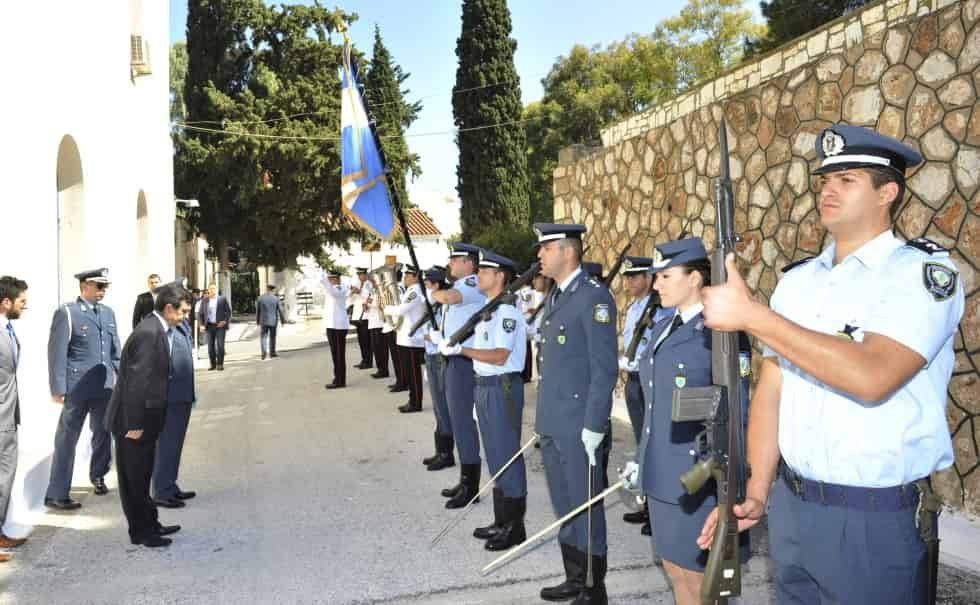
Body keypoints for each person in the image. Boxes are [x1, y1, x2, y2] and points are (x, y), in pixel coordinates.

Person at [696, 124, 965, 604]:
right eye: (824, 179)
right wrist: (757, 489)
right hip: (794, 509)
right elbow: (772, 389)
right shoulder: (798, 283)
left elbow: (872, 376)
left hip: (872, 519)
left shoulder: (919, 275)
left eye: (847, 178)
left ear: (888, 192)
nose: (828, 189)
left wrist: (753, 317)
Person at [619, 239, 750, 605]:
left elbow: (737, 409)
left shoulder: (720, 332)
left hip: (699, 477)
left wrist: (736, 483)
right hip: (663, 473)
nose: (656, 284)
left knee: (702, 582)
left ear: (695, 278)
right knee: (675, 570)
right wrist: (642, 460)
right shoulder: (662, 326)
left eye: (665, 276)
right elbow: (654, 407)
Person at [533, 223, 617, 605]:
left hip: (578, 423)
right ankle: (573, 575)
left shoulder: (593, 298)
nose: (539, 256)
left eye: (545, 248)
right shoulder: (556, 296)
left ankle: (592, 587)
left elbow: (604, 369)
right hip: (553, 421)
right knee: (565, 504)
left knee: (585, 505)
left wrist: (594, 424)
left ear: (567, 252)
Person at [440, 249, 528, 551]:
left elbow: (500, 356)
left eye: (486, 271)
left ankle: (515, 526)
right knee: (494, 454)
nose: (480, 276)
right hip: (484, 386)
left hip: (501, 387)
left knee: (506, 455)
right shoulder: (490, 311)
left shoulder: (507, 314)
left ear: (499, 277)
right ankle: (501, 520)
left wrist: (461, 351)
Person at [104, 283, 189, 547]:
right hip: (133, 421)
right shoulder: (150, 333)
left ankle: (151, 523)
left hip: (144, 420)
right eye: (183, 311)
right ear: (168, 308)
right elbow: (136, 384)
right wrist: (136, 424)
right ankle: (141, 533)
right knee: (134, 480)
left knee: (142, 475)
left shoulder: (157, 328)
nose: (186, 316)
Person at [45, 268, 121, 509]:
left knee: (102, 433)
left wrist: (126, 380)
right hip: (77, 388)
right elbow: (56, 352)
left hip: (104, 386)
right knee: (67, 438)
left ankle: (98, 474)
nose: (103, 291)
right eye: (99, 286)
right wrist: (58, 387)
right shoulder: (67, 312)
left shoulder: (108, 313)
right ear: (84, 286)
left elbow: (115, 351)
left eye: (105, 287)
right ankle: (57, 493)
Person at [617, 255, 672, 536]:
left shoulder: (661, 310)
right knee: (641, 444)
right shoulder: (634, 308)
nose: (628, 281)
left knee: (653, 445)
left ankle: (657, 513)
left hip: (650, 381)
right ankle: (647, 506)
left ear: (648, 278)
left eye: (634, 276)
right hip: (634, 381)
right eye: (626, 277)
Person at [431, 243, 485, 509]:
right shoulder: (461, 284)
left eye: (455, 259)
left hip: (465, 361)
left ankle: (471, 486)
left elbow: (450, 298)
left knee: (463, 421)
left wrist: (434, 291)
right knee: (456, 419)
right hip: (453, 358)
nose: (450, 263)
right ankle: (466, 479)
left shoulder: (473, 283)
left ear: (468, 263)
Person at [152, 280, 197, 509]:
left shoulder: (179, 326)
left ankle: (170, 484)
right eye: (184, 310)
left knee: (175, 443)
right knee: (167, 444)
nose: (187, 315)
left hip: (182, 394)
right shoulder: (160, 328)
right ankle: (162, 490)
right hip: (169, 397)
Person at [0, 276, 28, 560]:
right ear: (6, 302)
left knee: (4, 477)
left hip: (9, 413)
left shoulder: (7, 329)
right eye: (22, 301)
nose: (25, 306)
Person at [420, 268, 455, 471]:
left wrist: (431, 337)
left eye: (427, 284)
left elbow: (445, 334)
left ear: (436, 285)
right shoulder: (433, 307)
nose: (425, 287)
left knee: (443, 407)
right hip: (431, 357)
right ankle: (440, 450)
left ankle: (446, 454)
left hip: (440, 358)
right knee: (437, 407)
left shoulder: (444, 307)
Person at [388, 267, 426, 413]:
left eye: (408, 275)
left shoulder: (415, 291)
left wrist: (386, 309)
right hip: (406, 337)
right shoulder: (411, 290)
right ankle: (412, 400)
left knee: (413, 373)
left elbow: (401, 310)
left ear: (415, 277)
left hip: (412, 338)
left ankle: (416, 403)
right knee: (410, 373)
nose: (404, 277)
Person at [321, 271, 350, 389]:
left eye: (331, 279)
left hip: (338, 327)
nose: (330, 281)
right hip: (332, 326)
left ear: (337, 279)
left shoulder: (340, 288)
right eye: (329, 279)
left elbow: (333, 292)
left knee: (339, 355)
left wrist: (323, 279)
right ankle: (337, 377)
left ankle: (340, 381)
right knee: (335, 354)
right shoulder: (332, 289)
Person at [384, 266, 407, 394]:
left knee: (398, 357)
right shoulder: (396, 287)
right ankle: (400, 380)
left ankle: (403, 382)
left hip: (396, 326)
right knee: (396, 357)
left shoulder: (397, 288)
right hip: (393, 325)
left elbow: (399, 306)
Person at [197, 285, 231, 371]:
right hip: (209, 326)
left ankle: (220, 364)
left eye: (214, 289)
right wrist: (201, 325)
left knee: (220, 346)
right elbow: (200, 314)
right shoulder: (205, 300)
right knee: (210, 347)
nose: (212, 290)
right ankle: (213, 364)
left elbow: (228, 312)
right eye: (211, 289)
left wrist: (224, 321)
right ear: (208, 290)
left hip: (220, 326)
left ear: (216, 290)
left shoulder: (222, 299)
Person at [350, 268, 373, 369]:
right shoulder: (358, 283)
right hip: (358, 316)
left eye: (362, 274)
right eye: (358, 274)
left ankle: (368, 362)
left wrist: (359, 292)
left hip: (365, 316)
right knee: (361, 341)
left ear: (365, 274)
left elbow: (370, 296)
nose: (360, 276)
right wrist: (352, 292)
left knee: (366, 341)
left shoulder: (369, 284)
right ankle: (364, 360)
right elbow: (352, 299)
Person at [256, 284, 285, 360]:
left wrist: (257, 320)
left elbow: (258, 311)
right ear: (273, 290)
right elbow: (281, 310)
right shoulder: (276, 299)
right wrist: (282, 321)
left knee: (263, 337)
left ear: (267, 289)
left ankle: (264, 353)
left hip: (264, 321)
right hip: (273, 321)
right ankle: (272, 353)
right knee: (272, 337)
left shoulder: (260, 298)